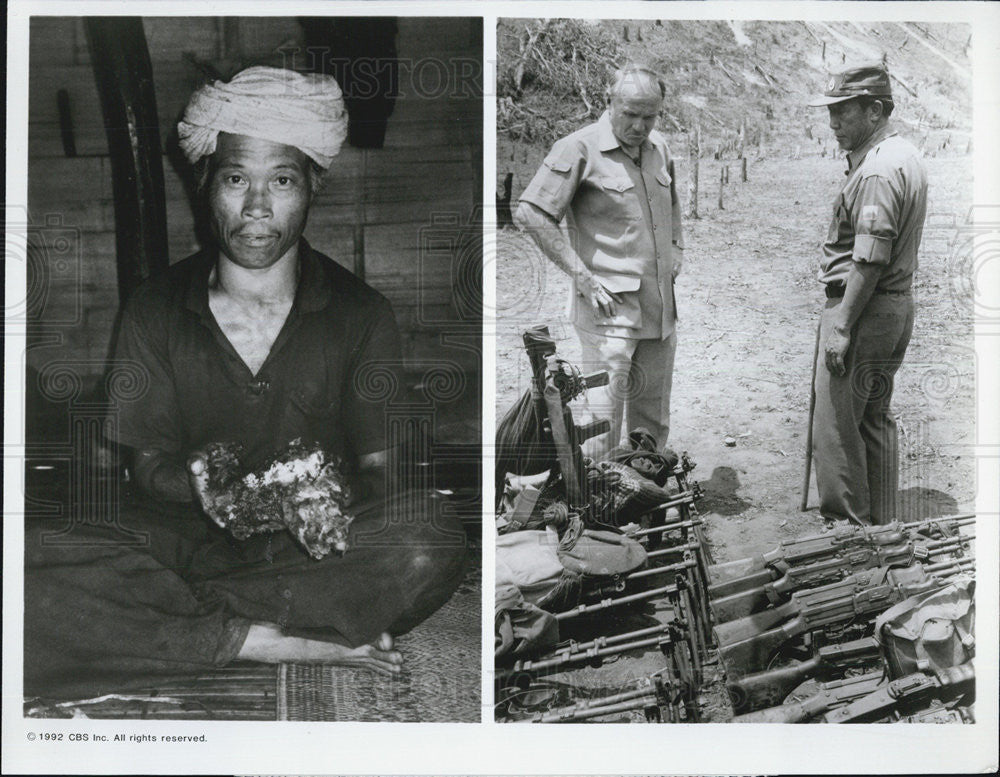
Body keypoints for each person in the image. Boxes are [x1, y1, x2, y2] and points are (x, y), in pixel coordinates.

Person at [24, 66, 467, 699]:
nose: (257, 207)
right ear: (206, 183)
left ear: (312, 185)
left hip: (304, 554)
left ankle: (177, 627)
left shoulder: (361, 313)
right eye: (236, 178)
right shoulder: (154, 308)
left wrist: (323, 498)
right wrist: (202, 484)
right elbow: (147, 470)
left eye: (281, 180)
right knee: (28, 558)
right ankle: (264, 639)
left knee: (432, 537)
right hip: (179, 542)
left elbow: (382, 470)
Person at [514, 63, 684, 460]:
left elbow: (672, 205)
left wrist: (678, 248)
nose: (640, 126)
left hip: (659, 310)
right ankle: (601, 508)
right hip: (608, 312)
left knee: (652, 417)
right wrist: (583, 278)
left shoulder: (659, 148)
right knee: (603, 421)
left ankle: (645, 491)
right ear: (609, 103)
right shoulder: (578, 147)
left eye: (650, 116)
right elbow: (530, 213)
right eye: (630, 114)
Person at [807, 63, 928, 525]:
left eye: (843, 112)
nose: (833, 124)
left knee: (836, 428)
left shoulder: (877, 170)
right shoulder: (903, 154)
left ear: (876, 110)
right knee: (873, 418)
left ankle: (849, 535)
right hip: (892, 307)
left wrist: (841, 325)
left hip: (864, 309)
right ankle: (882, 526)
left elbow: (870, 258)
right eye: (831, 113)